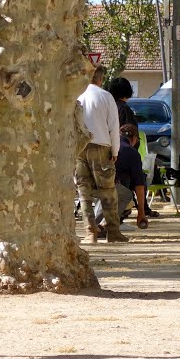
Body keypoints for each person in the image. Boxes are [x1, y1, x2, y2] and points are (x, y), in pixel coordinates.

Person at [74, 65, 127, 244]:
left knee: (84, 192)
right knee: (107, 191)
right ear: (101, 79)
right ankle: (113, 232)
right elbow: (113, 126)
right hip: (101, 146)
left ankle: (90, 232)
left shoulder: (77, 96)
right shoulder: (106, 96)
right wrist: (115, 151)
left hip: (80, 148)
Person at [116, 123, 149, 230]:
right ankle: (113, 222)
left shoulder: (109, 145)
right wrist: (141, 212)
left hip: (90, 186)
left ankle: (94, 225)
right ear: (134, 138)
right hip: (113, 190)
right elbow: (139, 185)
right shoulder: (131, 152)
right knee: (126, 192)